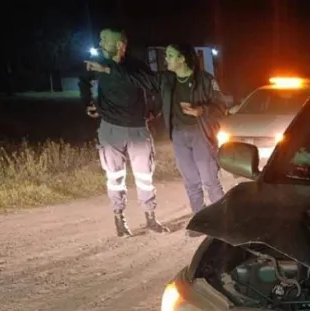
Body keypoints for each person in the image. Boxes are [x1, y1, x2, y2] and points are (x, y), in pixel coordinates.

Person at [86, 43, 227, 232]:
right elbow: (135, 79)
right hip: (178, 135)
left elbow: (221, 107)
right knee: (191, 181)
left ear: (182, 58)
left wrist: (201, 110)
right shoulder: (166, 79)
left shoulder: (205, 80)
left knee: (210, 180)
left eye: (170, 55)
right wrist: (108, 69)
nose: (165, 59)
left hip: (201, 133)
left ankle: (224, 222)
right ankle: (199, 223)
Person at [79, 27, 169, 237]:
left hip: (138, 129)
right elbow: (83, 80)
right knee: (114, 176)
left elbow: (154, 85)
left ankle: (150, 217)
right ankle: (119, 219)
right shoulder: (99, 65)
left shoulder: (135, 66)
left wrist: (154, 111)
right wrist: (87, 102)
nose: (100, 44)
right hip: (111, 128)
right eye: (100, 39)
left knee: (145, 176)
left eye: (104, 40)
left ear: (120, 45)